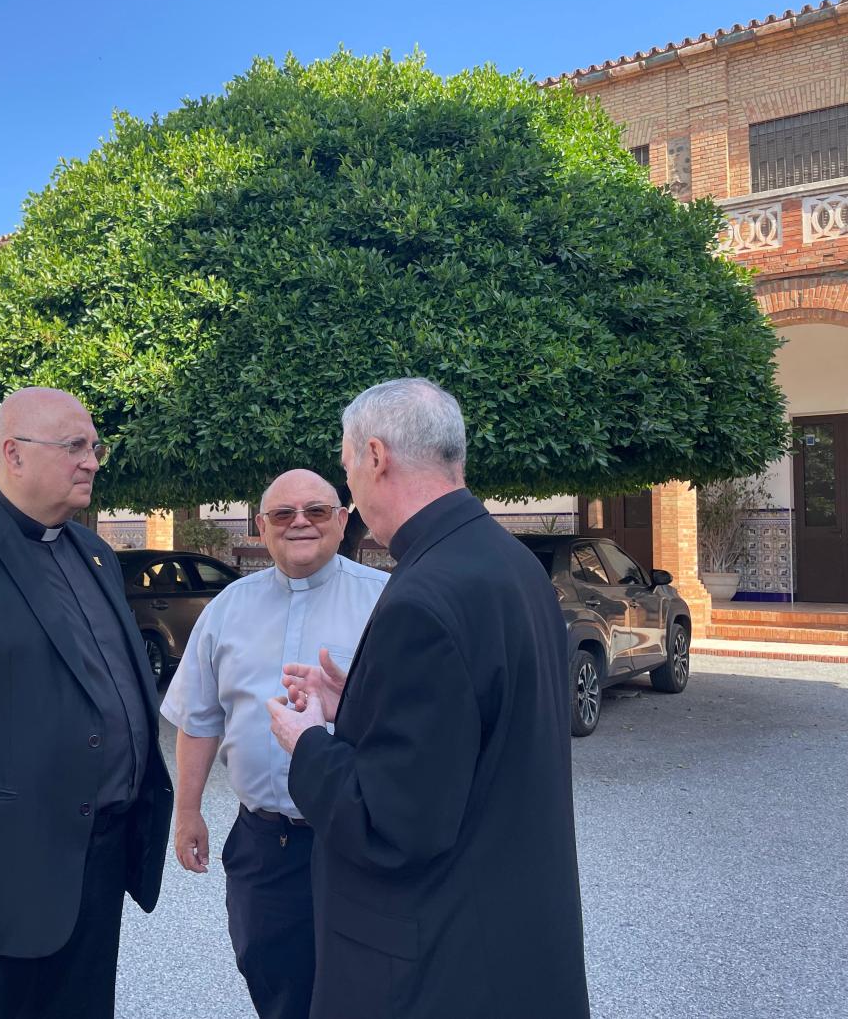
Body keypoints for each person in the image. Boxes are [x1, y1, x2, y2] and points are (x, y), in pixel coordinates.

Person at [269, 377, 589, 1019]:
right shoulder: (508, 562)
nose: (349, 493)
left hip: (438, 964)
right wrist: (354, 702)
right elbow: (471, 731)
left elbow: (392, 825)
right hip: (514, 937)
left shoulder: (423, 594)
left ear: (377, 457)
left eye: (347, 468)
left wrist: (306, 743)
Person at [0, 386, 173, 1019]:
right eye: (74, 446)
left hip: (98, 861)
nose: (93, 461)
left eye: (94, 446)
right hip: (3, 884)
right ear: (13, 454)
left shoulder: (98, 555)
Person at [162, 469, 387, 1019]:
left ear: (342, 520)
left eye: (315, 511)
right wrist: (186, 811)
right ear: (262, 527)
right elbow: (199, 717)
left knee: (367, 988)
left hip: (358, 839)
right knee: (273, 981)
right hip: (266, 845)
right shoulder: (226, 610)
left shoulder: (387, 603)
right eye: (283, 515)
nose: (300, 523)